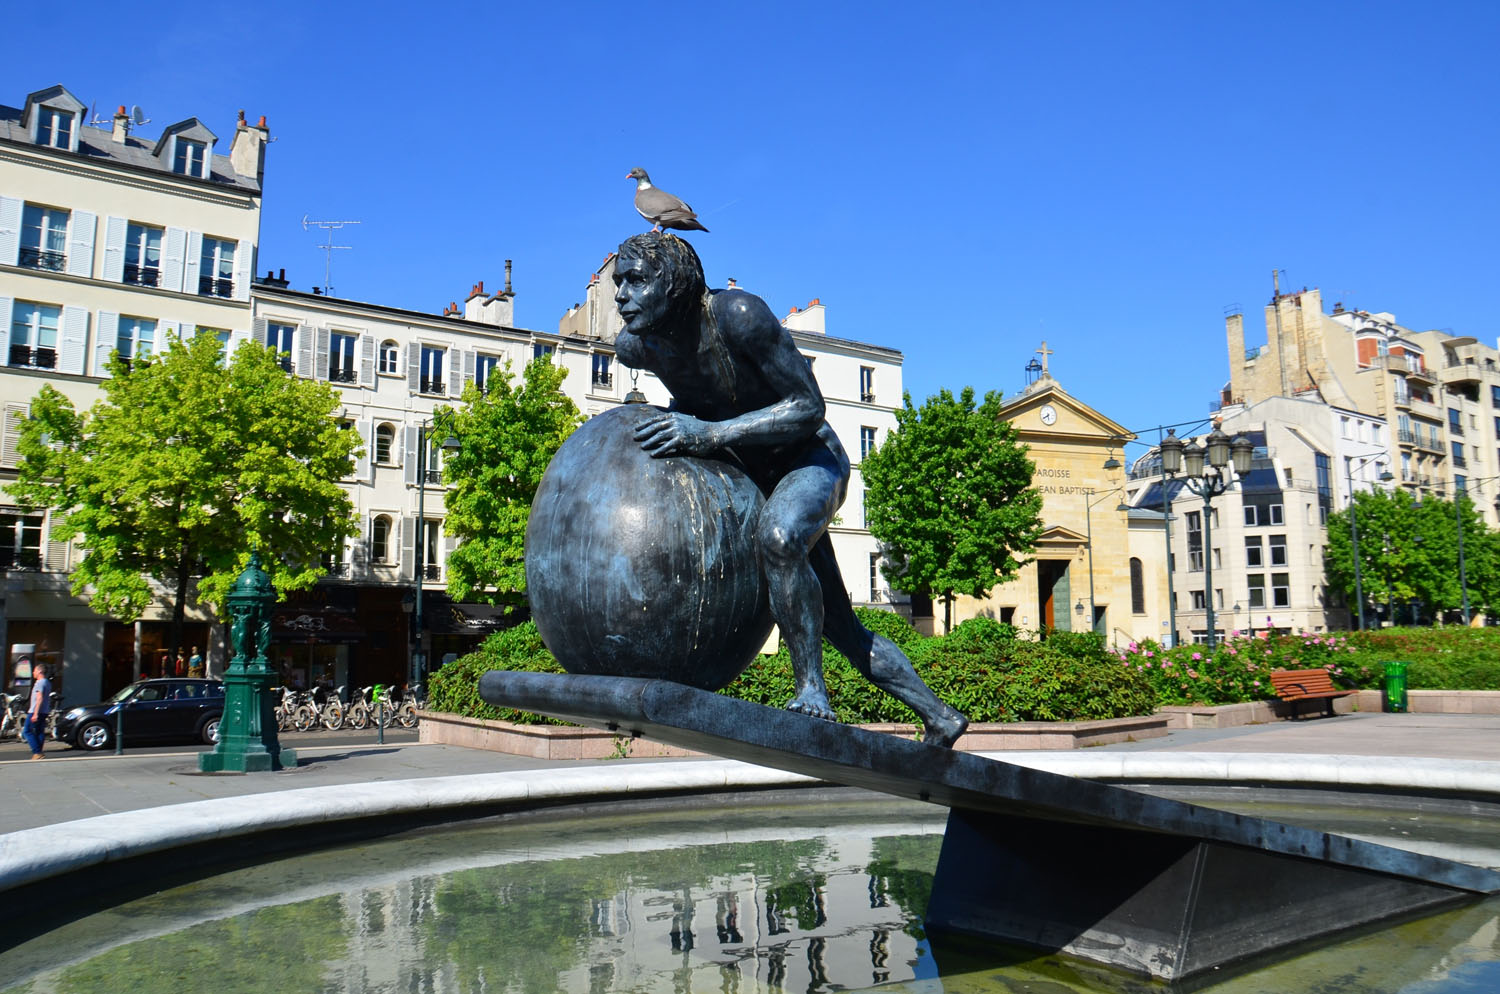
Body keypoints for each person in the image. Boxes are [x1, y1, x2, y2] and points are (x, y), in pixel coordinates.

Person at [611, 232, 968, 748]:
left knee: (778, 537)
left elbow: (808, 407)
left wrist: (708, 433)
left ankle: (811, 691)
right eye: (619, 282)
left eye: (637, 281)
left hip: (809, 459)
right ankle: (940, 716)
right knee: (842, 628)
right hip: (756, 474)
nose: (622, 295)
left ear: (677, 283)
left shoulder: (737, 315)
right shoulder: (637, 347)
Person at [24, 662, 51, 759]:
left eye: (34, 670)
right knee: (39, 731)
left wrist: (35, 713)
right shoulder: (47, 682)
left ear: (39, 671)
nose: (33, 672)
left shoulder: (40, 683)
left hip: (36, 711)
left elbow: (39, 698)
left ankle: (37, 752)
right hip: (44, 711)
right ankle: (39, 752)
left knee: (27, 731)